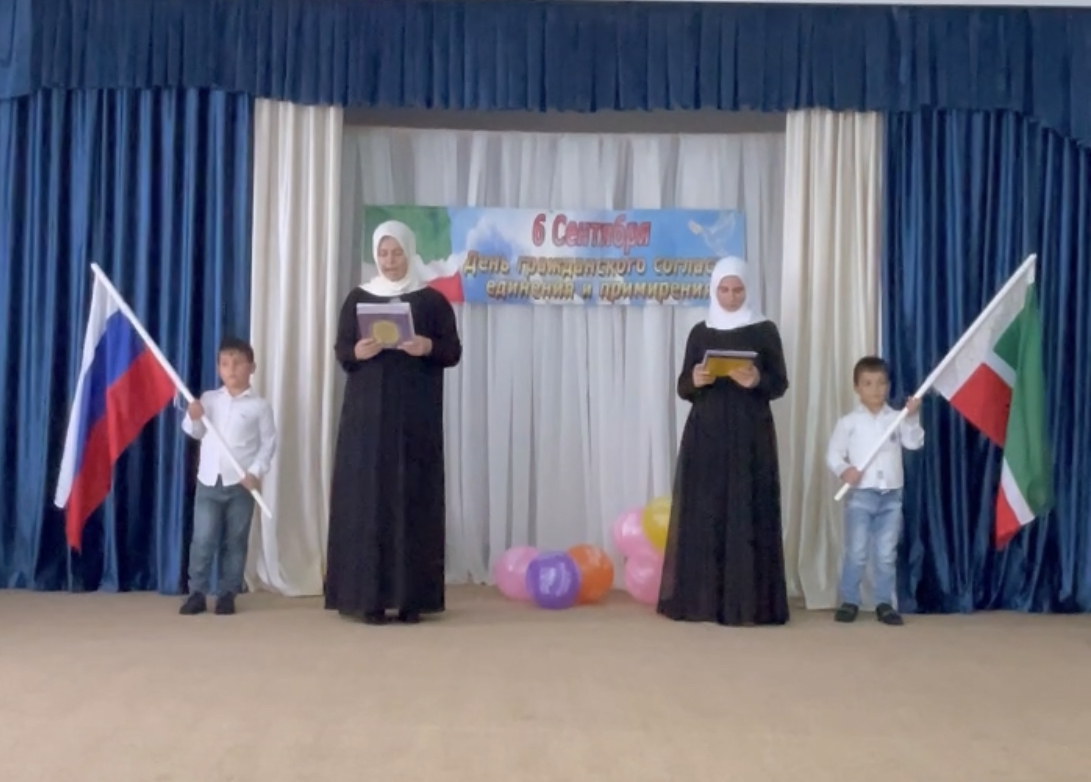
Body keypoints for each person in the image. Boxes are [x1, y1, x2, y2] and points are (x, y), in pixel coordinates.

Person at [325, 220, 462, 625]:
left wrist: (427, 346)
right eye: (383, 253)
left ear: (409, 251)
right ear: (375, 255)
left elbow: (452, 351)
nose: (390, 260)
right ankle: (366, 598)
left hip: (415, 418)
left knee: (412, 497)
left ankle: (411, 599)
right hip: (366, 420)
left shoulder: (431, 301)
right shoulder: (358, 297)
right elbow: (342, 349)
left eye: (397, 252)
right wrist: (358, 351)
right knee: (367, 499)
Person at [657, 256, 790, 627]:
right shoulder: (700, 332)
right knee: (706, 511)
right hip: (707, 433)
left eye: (738, 290)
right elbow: (683, 386)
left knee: (748, 508)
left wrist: (756, 380)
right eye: (725, 290)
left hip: (751, 435)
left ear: (749, 289)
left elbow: (779, 383)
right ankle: (701, 601)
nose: (731, 297)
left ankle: (748, 604)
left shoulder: (764, 330)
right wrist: (696, 379)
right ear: (714, 290)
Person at [179, 337, 277, 616]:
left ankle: (227, 593)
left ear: (251, 367)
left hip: (241, 485)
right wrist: (194, 416)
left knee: (235, 540)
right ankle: (197, 592)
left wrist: (255, 472)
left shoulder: (259, 407)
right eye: (224, 364)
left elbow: (268, 445)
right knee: (203, 538)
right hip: (209, 482)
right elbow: (196, 432)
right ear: (218, 368)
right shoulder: (209, 399)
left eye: (237, 363)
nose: (231, 369)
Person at [826, 356, 923, 626]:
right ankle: (850, 601)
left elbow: (914, 443)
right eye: (868, 383)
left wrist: (912, 417)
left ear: (888, 385)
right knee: (857, 552)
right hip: (861, 495)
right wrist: (844, 470)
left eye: (881, 383)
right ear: (857, 387)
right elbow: (833, 454)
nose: (876, 389)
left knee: (886, 554)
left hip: (891, 496)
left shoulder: (896, 418)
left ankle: (884, 602)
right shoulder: (849, 423)